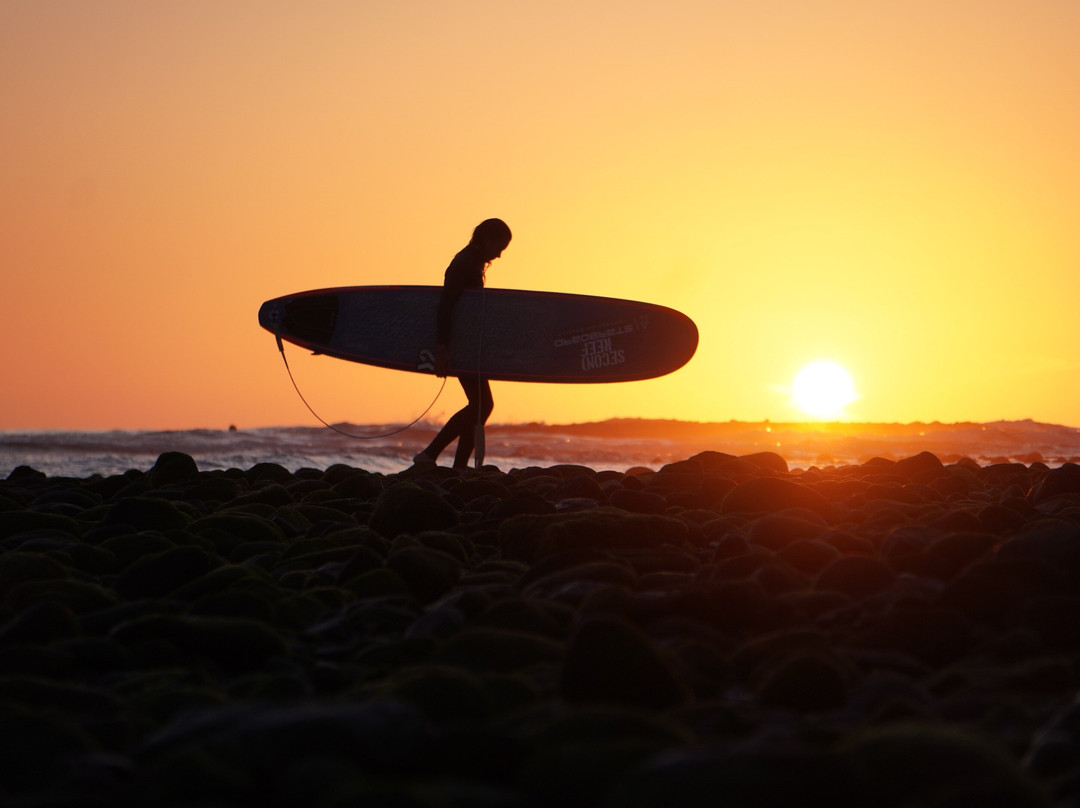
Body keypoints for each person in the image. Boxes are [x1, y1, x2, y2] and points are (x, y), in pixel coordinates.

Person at [413, 218, 512, 469]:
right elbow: (445, 307)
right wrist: (442, 348)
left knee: (479, 405)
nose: (500, 255)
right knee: (482, 404)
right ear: (487, 239)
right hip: (459, 345)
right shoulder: (463, 264)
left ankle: (455, 466)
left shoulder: (472, 262)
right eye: (500, 247)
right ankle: (430, 454)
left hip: (467, 344)